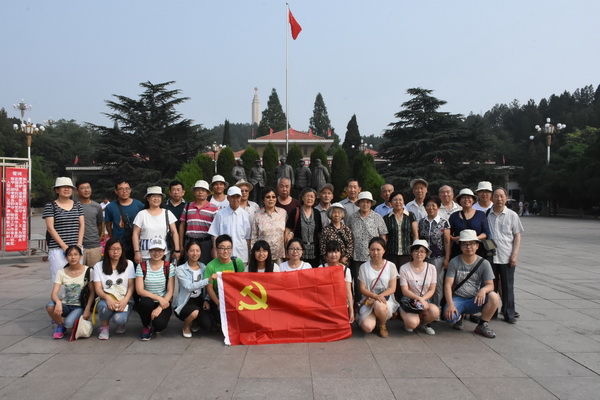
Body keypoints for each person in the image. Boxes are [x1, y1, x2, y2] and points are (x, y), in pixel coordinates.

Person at [443, 230, 499, 338]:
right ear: (460, 247)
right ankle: (458, 317)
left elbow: (490, 285)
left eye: (472, 244)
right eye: (465, 244)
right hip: (458, 298)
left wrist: (483, 290)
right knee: (450, 317)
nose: (468, 247)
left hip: (475, 299)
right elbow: (447, 285)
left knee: (494, 296)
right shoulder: (454, 262)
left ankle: (482, 324)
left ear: (477, 246)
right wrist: (450, 305)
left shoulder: (484, 263)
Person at [487, 187, 524, 324]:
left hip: (506, 256)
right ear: (492, 198)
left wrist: (514, 254)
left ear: (506, 198)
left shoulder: (512, 215)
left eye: (501, 196)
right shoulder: (487, 214)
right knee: (492, 286)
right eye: (496, 196)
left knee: (508, 287)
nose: (499, 199)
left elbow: (517, 236)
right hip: (490, 257)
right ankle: (491, 313)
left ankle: (509, 313)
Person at [46, 245, 94, 339]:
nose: (73, 257)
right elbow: (54, 294)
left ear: (80, 256)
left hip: (79, 306)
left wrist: (87, 309)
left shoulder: (88, 271)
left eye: (76, 254)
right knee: (50, 306)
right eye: (70, 255)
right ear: (66, 257)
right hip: (65, 304)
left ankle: (72, 320)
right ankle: (60, 325)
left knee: (69, 324)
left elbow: (92, 292)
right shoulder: (61, 272)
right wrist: (58, 302)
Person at [347, 191, 388, 302]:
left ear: (371, 203)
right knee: (358, 282)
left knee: (374, 280)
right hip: (357, 255)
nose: (365, 204)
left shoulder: (377, 217)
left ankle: (374, 302)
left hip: (374, 255)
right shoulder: (352, 218)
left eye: (367, 202)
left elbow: (383, 236)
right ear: (358, 203)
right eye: (362, 202)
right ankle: (359, 304)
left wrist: (381, 251)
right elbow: (348, 234)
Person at [43, 177, 84, 284]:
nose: (67, 189)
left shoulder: (78, 205)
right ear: (57, 190)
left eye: (69, 187)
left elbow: (81, 225)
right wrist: (64, 246)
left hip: (76, 249)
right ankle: (58, 296)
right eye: (63, 187)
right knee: (59, 279)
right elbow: (50, 228)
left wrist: (79, 244)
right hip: (58, 249)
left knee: (77, 279)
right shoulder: (50, 206)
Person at [93, 238, 136, 340]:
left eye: (118, 249)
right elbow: (98, 289)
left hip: (124, 298)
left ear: (122, 250)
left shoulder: (129, 264)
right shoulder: (98, 266)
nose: (115, 252)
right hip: (106, 298)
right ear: (107, 250)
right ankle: (104, 327)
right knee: (103, 306)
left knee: (119, 319)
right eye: (112, 249)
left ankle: (120, 323)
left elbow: (131, 286)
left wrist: (125, 300)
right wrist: (107, 298)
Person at [357, 237, 399, 338]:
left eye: (378, 249)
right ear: (369, 250)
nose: (375, 252)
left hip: (385, 300)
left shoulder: (391, 266)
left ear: (384, 250)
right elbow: (362, 289)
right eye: (372, 249)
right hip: (368, 300)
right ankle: (374, 317)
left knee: (379, 305)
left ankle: (382, 325)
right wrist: (374, 297)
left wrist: (378, 298)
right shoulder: (363, 267)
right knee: (367, 328)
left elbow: (392, 288)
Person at [135, 237, 176, 341]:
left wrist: (160, 307)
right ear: (149, 251)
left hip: (163, 302)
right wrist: (159, 298)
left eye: (159, 250)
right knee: (146, 302)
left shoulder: (169, 267)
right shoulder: (141, 266)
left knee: (159, 326)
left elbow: (170, 290)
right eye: (154, 250)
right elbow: (140, 290)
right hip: (148, 300)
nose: (157, 253)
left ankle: (155, 322)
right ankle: (146, 326)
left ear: (164, 251)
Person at [175, 240, 215, 338]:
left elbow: (208, 288)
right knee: (194, 312)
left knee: (208, 326)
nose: (195, 253)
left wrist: (206, 299)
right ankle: (186, 326)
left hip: (199, 300)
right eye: (192, 251)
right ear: (187, 252)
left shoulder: (204, 267)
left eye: (197, 250)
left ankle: (195, 321)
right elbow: (189, 287)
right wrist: (207, 280)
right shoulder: (180, 269)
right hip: (186, 301)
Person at [398, 240, 439, 335]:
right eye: (416, 251)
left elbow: (432, 289)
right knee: (412, 324)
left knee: (435, 311)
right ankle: (409, 321)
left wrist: (422, 300)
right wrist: (419, 299)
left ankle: (424, 324)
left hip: (425, 301)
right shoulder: (404, 268)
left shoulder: (432, 268)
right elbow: (405, 290)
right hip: (409, 302)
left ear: (426, 254)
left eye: (422, 251)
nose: (419, 254)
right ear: (411, 253)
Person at [132, 186, 180, 265]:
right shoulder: (142, 214)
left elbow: (174, 232)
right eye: (153, 196)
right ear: (148, 198)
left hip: (163, 254)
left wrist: (177, 250)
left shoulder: (167, 213)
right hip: (145, 254)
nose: (156, 199)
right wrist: (136, 251)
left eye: (158, 196)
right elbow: (135, 234)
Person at [204, 235, 245, 326]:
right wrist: (219, 303)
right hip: (218, 298)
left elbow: (242, 284)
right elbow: (209, 288)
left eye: (228, 248)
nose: (225, 251)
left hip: (235, 298)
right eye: (222, 248)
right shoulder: (211, 266)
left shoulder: (237, 263)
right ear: (216, 249)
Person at [418, 195, 451, 308]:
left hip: (438, 258)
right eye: (428, 205)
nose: (431, 208)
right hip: (424, 259)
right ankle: (425, 307)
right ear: (425, 207)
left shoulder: (444, 222)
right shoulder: (421, 222)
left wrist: (447, 258)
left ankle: (436, 308)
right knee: (425, 283)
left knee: (437, 283)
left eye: (433, 205)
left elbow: (447, 241)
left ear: (438, 207)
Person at [179, 180, 219, 265]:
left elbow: (216, 229)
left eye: (203, 190)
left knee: (205, 267)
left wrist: (214, 247)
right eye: (198, 190)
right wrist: (181, 245)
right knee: (189, 267)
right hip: (189, 241)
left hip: (206, 243)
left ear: (207, 193)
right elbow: (182, 225)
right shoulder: (188, 206)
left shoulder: (214, 208)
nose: (200, 192)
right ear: (194, 192)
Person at [208, 186, 252, 264]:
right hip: (223, 255)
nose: (235, 199)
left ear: (240, 198)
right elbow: (215, 235)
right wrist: (215, 250)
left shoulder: (246, 215)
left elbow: (248, 238)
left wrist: (249, 255)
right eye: (232, 197)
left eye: (237, 197)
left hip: (241, 255)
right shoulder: (220, 214)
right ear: (228, 198)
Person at [104, 180, 144, 261]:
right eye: (121, 189)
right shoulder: (110, 207)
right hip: (119, 244)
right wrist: (113, 238)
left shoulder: (139, 205)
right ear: (116, 191)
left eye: (127, 189)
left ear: (130, 190)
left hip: (137, 244)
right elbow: (108, 225)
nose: (124, 191)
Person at [285, 188, 323, 268]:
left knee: (313, 272)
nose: (310, 198)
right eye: (307, 196)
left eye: (312, 196)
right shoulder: (296, 211)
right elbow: (288, 228)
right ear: (302, 198)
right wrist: (287, 246)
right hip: (298, 250)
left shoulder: (317, 213)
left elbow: (319, 232)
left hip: (314, 251)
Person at [318, 240, 354, 323]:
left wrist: (351, 311)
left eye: (336, 251)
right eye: (330, 252)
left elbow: (348, 292)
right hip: (325, 305)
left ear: (340, 253)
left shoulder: (345, 270)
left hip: (341, 305)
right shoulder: (321, 268)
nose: (333, 255)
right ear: (326, 254)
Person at [449, 188, 490, 258]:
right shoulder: (454, 216)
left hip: (477, 250)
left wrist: (474, 238)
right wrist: (455, 239)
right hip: (459, 250)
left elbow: (486, 232)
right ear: (459, 201)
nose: (466, 199)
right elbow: (448, 234)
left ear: (473, 200)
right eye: (463, 198)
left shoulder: (481, 214)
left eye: (469, 197)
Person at [383, 191, 418, 268]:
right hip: (391, 254)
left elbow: (415, 235)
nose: (398, 202)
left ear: (403, 201)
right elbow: (384, 237)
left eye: (400, 200)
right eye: (395, 200)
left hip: (407, 254)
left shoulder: (411, 216)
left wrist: (415, 250)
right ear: (391, 202)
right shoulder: (386, 218)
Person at [251, 188, 287, 263]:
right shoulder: (257, 215)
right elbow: (254, 237)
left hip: (279, 256)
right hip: (262, 256)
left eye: (273, 197)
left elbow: (288, 231)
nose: (271, 199)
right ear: (263, 200)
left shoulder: (283, 213)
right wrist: (254, 254)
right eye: (268, 197)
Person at [76, 179, 104, 268]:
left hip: (94, 246)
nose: (86, 190)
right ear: (77, 191)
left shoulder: (97, 206)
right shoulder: (73, 206)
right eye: (82, 188)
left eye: (88, 188)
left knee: (94, 273)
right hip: (78, 246)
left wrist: (97, 237)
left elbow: (100, 225)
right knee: (77, 272)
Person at [319, 203, 354, 267]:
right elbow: (322, 246)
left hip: (343, 262)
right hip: (329, 262)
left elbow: (350, 245)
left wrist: (345, 258)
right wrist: (328, 259)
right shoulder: (326, 230)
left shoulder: (346, 229)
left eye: (339, 212)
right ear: (331, 214)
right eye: (334, 212)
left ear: (342, 215)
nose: (336, 215)